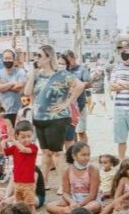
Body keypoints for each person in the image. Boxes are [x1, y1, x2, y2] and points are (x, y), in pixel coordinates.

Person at [24, 45, 84, 191]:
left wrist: (67, 103)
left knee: (57, 153)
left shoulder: (62, 74)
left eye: (39, 56)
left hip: (57, 118)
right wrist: (32, 73)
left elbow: (80, 85)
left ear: (49, 57)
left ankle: (64, 185)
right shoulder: (37, 74)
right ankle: (43, 183)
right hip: (39, 118)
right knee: (45, 153)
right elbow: (27, 92)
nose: (36, 59)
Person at [46, 142, 102, 214]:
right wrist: (72, 202)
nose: (87, 158)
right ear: (74, 156)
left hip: (89, 201)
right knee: (50, 206)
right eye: (83, 155)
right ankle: (77, 213)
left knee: (96, 206)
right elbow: (65, 193)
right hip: (73, 199)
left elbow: (93, 195)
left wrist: (79, 205)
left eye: (88, 154)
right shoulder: (67, 170)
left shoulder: (93, 169)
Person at [3, 120, 39, 211]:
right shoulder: (15, 147)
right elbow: (4, 152)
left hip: (28, 183)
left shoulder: (33, 147)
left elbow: (24, 149)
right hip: (17, 182)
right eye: (23, 137)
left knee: (30, 205)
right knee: (19, 205)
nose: (27, 139)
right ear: (17, 136)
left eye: (29, 136)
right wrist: (1, 141)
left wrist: (13, 140)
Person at [0, 49, 27, 126]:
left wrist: (3, 86)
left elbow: (20, 87)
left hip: (19, 111)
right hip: (3, 111)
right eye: (6, 58)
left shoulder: (20, 72)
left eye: (10, 58)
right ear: (2, 60)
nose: (8, 60)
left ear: (14, 60)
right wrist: (12, 83)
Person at [64, 50, 92, 143]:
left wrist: (77, 86)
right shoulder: (64, 71)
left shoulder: (82, 69)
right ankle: (73, 152)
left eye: (69, 60)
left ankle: (84, 151)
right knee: (71, 132)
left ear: (74, 58)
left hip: (80, 104)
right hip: (67, 106)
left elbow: (89, 83)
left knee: (81, 131)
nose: (67, 63)